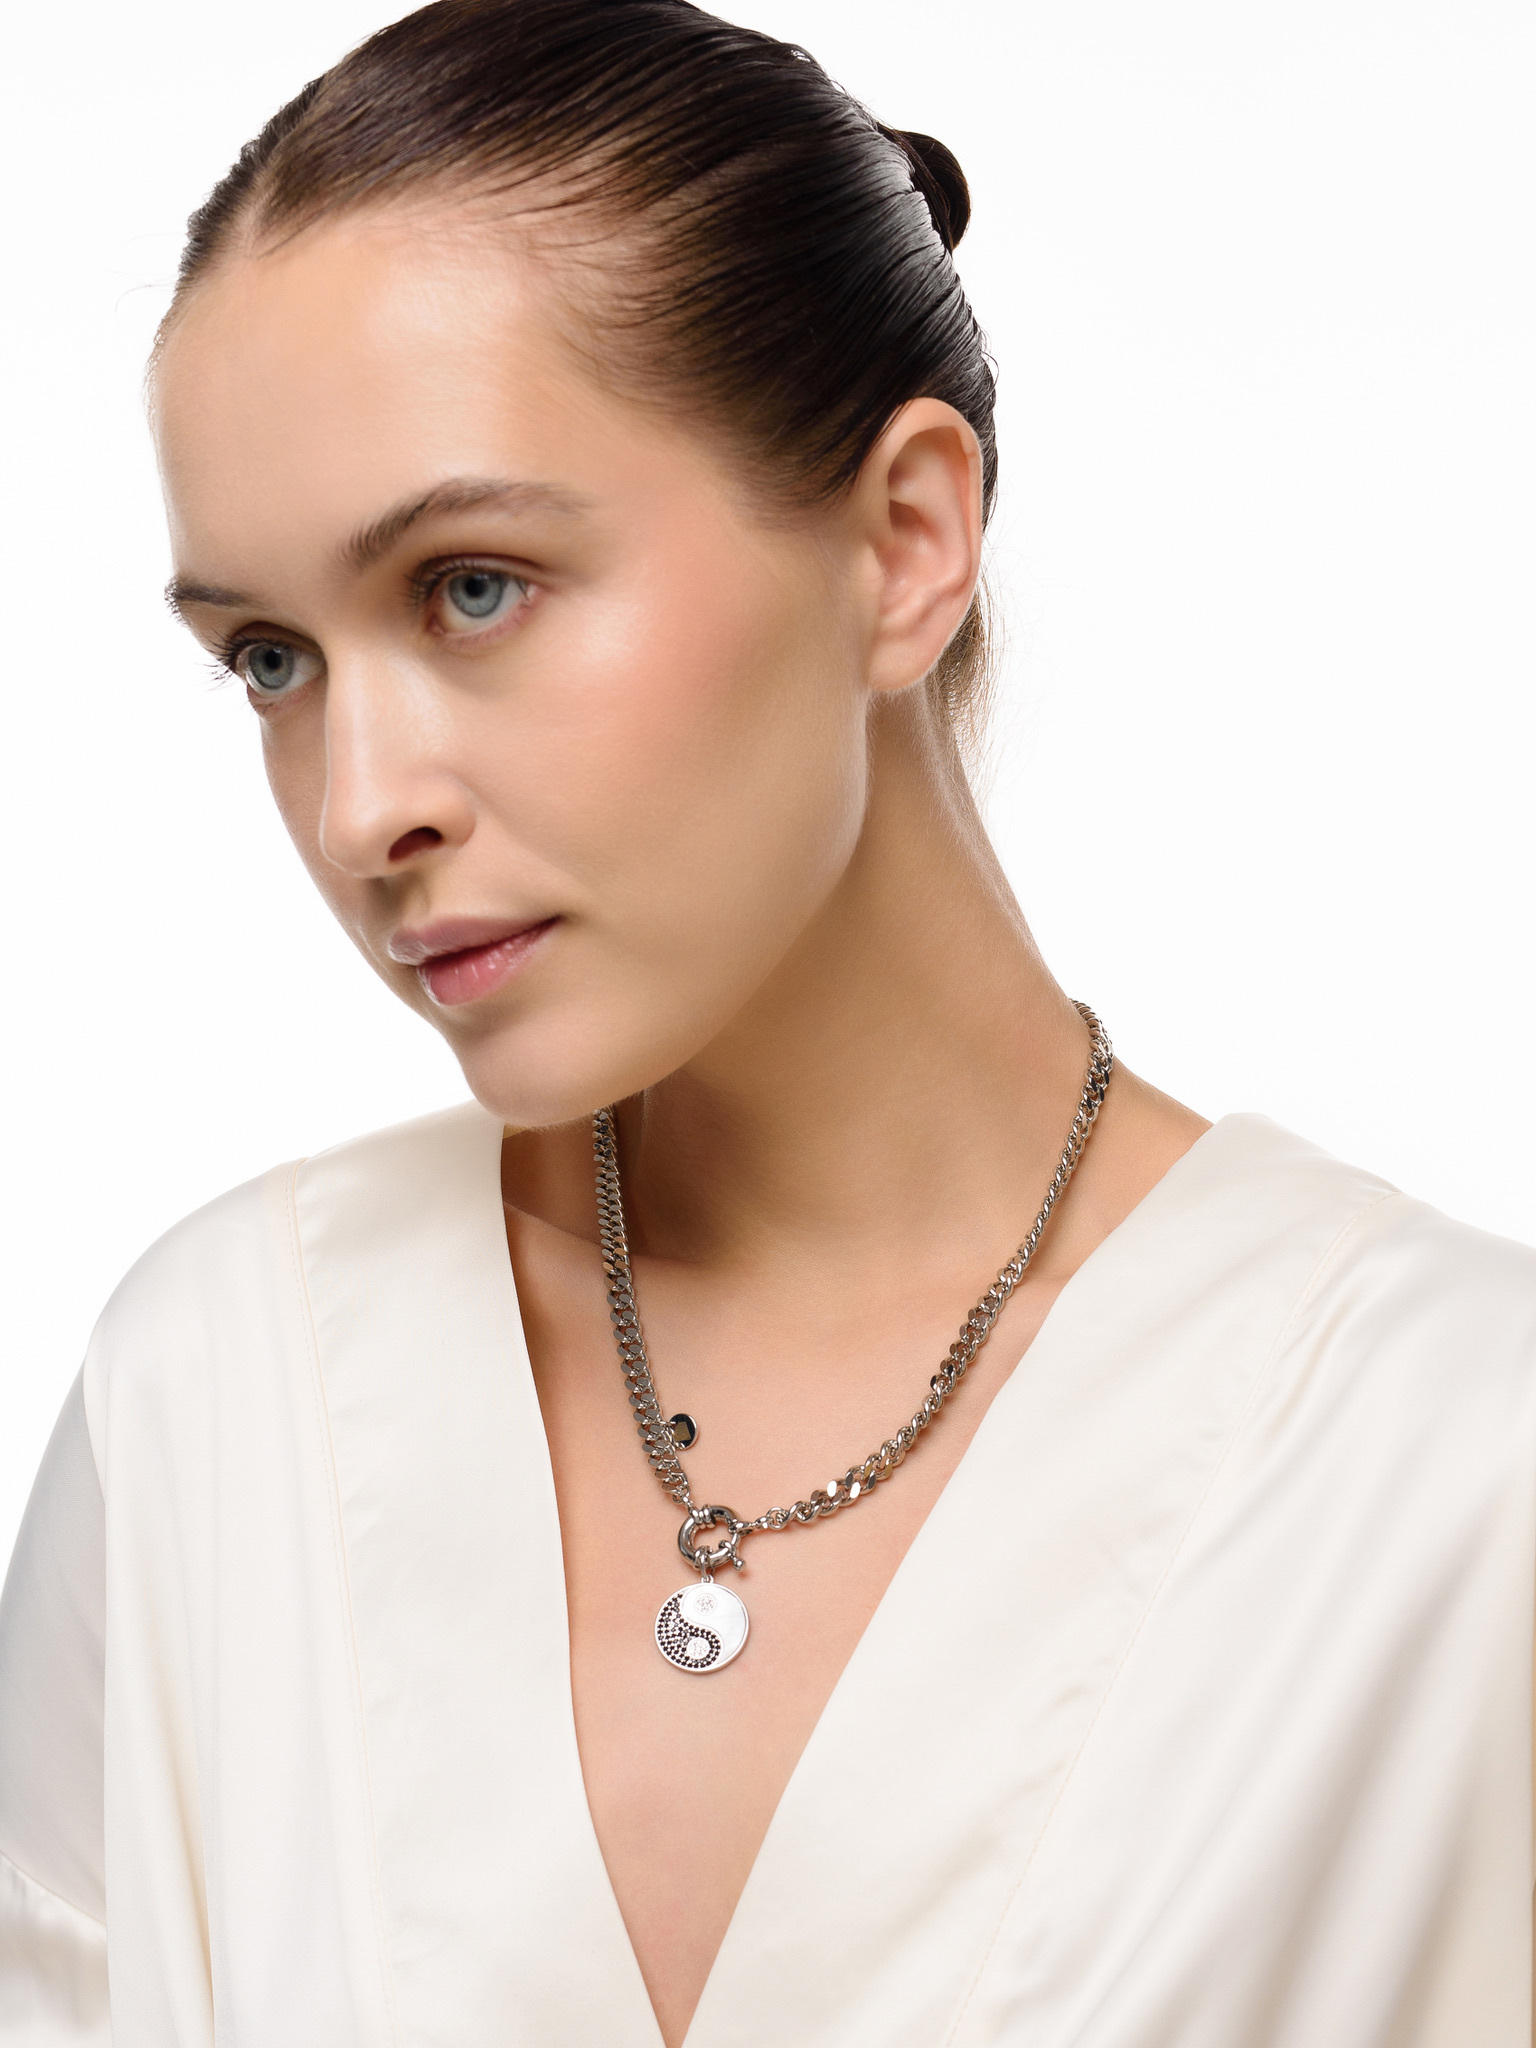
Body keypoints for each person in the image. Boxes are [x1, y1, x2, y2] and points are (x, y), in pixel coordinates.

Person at [2, 0, 1533, 2041]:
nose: (362, 805)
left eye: (473, 587)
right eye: (273, 659)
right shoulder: (217, 1405)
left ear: (902, 544)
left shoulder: (1456, 1470)